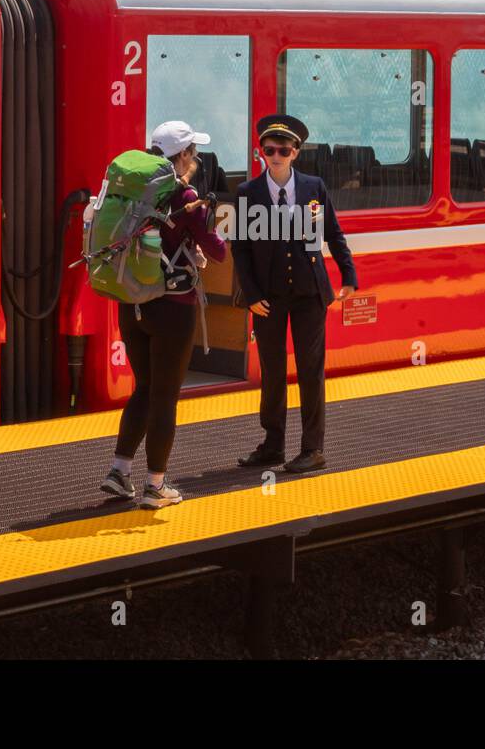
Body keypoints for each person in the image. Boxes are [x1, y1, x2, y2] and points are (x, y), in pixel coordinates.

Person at [100, 120, 227, 509]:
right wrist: (205, 235)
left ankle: (119, 471)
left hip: (133, 303)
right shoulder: (184, 196)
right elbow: (219, 250)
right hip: (173, 307)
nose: (197, 159)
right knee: (165, 396)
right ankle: (156, 485)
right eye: (194, 152)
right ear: (184, 155)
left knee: (144, 387)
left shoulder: (133, 190)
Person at [232, 114, 357, 474]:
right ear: (261, 152)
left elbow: (333, 233)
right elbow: (240, 249)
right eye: (269, 149)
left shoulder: (313, 187)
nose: (276, 155)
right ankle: (272, 446)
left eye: (283, 150)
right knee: (272, 372)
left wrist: (348, 275)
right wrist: (251, 294)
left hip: (309, 295)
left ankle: (312, 449)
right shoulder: (247, 194)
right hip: (268, 297)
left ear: (295, 152)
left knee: (309, 372)